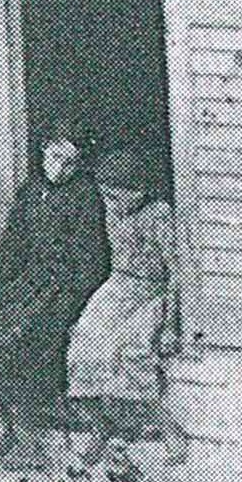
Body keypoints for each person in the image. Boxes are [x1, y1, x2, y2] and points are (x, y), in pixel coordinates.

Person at [0, 129, 111, 469]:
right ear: (43, 154)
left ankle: (29, 443)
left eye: (70, 163)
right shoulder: (30, 192)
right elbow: (14, 244)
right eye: (55, 159)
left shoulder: (84, 196)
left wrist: (74, 296)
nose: (61, 169)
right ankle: (8, 433)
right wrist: (2, 285)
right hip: (26, 282)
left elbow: (93, 259)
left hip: (63, 287)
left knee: (22, 337)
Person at [65, 146, 182, 429]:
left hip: (151, 292)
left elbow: (176, 272)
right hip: (118, 287)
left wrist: (170, 325)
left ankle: (166, 426)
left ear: (139, 190)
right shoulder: (111, 212)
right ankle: (100, 426)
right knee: (83, 345)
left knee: (130, 349)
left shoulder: (158, 214)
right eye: (107, 197)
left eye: (118, 197)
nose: (112, 204)